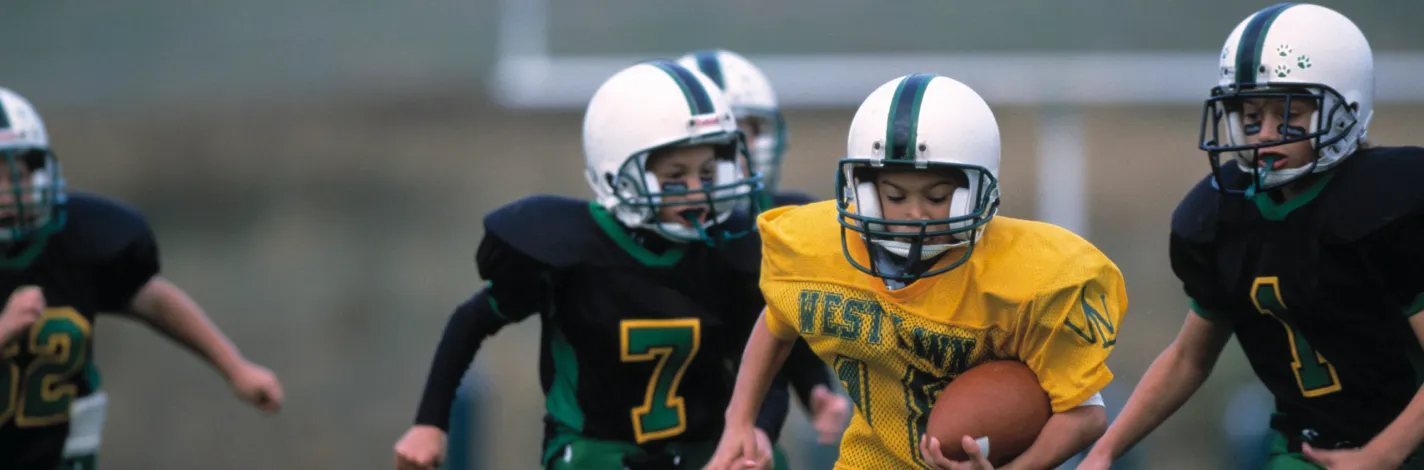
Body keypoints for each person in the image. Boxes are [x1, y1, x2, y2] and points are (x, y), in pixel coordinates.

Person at [392, 59, 827, 470]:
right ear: (616, 173)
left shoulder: (731, 249)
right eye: (675, 177)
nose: (697, 192)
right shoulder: (570, 250)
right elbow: (470, 321)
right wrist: (430, 422)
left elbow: (766, 367)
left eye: (708, 174)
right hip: (596, 451)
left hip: (706, 447)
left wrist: (759, 432)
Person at [704, 73, 1127, 470]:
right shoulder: (817, 247)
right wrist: (740, 419)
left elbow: (1086, 416)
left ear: (976, 192)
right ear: (864, 191)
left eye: (938, 195)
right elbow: (777, 319)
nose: (915, 213)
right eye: (894, 194)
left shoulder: (1033, 276)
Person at [1079, 4, 1424, 470]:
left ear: (1348, 110)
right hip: (1309, 447)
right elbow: (1187, 359)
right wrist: (1104, 452)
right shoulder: (1222, 216)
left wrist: (1382, 455)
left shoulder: (1386, 203)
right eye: (1250, 116)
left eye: (1288, 117)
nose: (1263, 135)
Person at [0, 87, 285, 470]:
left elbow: (150, 298)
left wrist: (234, 366)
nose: (9, 192)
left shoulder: (75, 239)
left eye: (15, 172)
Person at [676, 48, 851, 446]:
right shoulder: (660, 233)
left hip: (755, 435)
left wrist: (814, 387)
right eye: (712, 136)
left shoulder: (793, 221)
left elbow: (786, 319)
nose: (731, 146)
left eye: (744, 128)